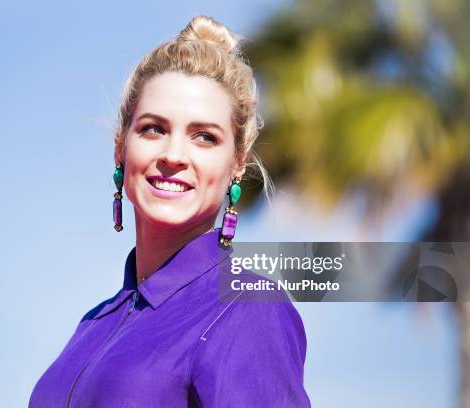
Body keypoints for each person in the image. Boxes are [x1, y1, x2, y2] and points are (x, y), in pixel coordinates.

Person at [29, 15, 310, 407]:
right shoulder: (93, 323)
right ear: (120, 148)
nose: (174, 155)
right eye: (153, 129)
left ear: (237, 165)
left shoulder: (248, 308)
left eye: (205, 137)